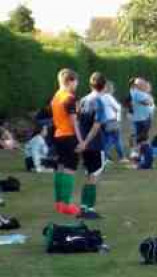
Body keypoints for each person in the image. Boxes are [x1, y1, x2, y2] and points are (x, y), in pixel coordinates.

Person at [75, 71, 110, 219]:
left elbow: (77, 120)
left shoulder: (83, 100)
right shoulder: (100, 102)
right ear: (105, 86)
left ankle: (83, 207)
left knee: (89, 175)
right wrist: (87, 141)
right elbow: (96, 126)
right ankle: (88, 209)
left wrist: (81, 141)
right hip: (94, 144)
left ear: (90, 84)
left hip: (84, 144)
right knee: (93, 176)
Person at [50, 68, 83, 215]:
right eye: (76, 82)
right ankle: (67, 204)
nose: (76, 85)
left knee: (60, 168)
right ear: (70, 81)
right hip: (69, 136)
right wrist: (81, 140)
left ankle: (59, 203)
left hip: (58, 135)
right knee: (70, 169)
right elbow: (74, 121)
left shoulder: (56, 96)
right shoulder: (69, 98)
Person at [130, 78, 155, 168]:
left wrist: (149, 101)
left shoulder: (141, 93)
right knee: (141, 141)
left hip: (143, 120)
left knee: (142, 141)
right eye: (143, 84)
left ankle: (146, 162)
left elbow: (150, 102)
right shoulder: (137, 93)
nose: (145, 86)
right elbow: (148, 102)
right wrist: (148, 100)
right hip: (140, 120)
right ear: (138, 85)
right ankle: (144, 160)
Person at [100, 81, 125, 163]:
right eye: (112, 88)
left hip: (103, 121)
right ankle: (121, 157)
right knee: (116, 140)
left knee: (106, 140)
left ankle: (105, 157)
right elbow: (118, 107)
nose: (113, 90)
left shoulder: (100, 97)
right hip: (112, 121)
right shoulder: (108, 96)